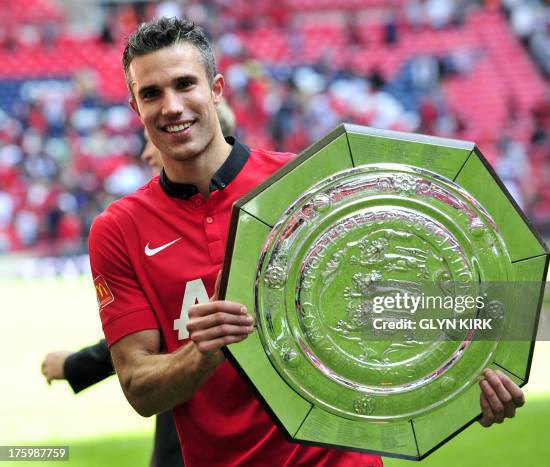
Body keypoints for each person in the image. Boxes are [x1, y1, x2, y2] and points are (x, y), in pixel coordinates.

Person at [88, 17, 524, 467]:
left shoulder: (306, 184)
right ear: (134, 107)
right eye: (151, 93)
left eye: (185, 85)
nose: (171, 106)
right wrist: (203, 354)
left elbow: (393, 285)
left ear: (216, 88)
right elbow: (138, 385)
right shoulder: (118, 229)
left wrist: (475, 371)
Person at [41, 100, 237, 467]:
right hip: (179, 395)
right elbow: (139, 339)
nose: (150, 155)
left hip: (214, 413)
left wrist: (74, 366)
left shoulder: (259, 202)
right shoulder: (127, 225)